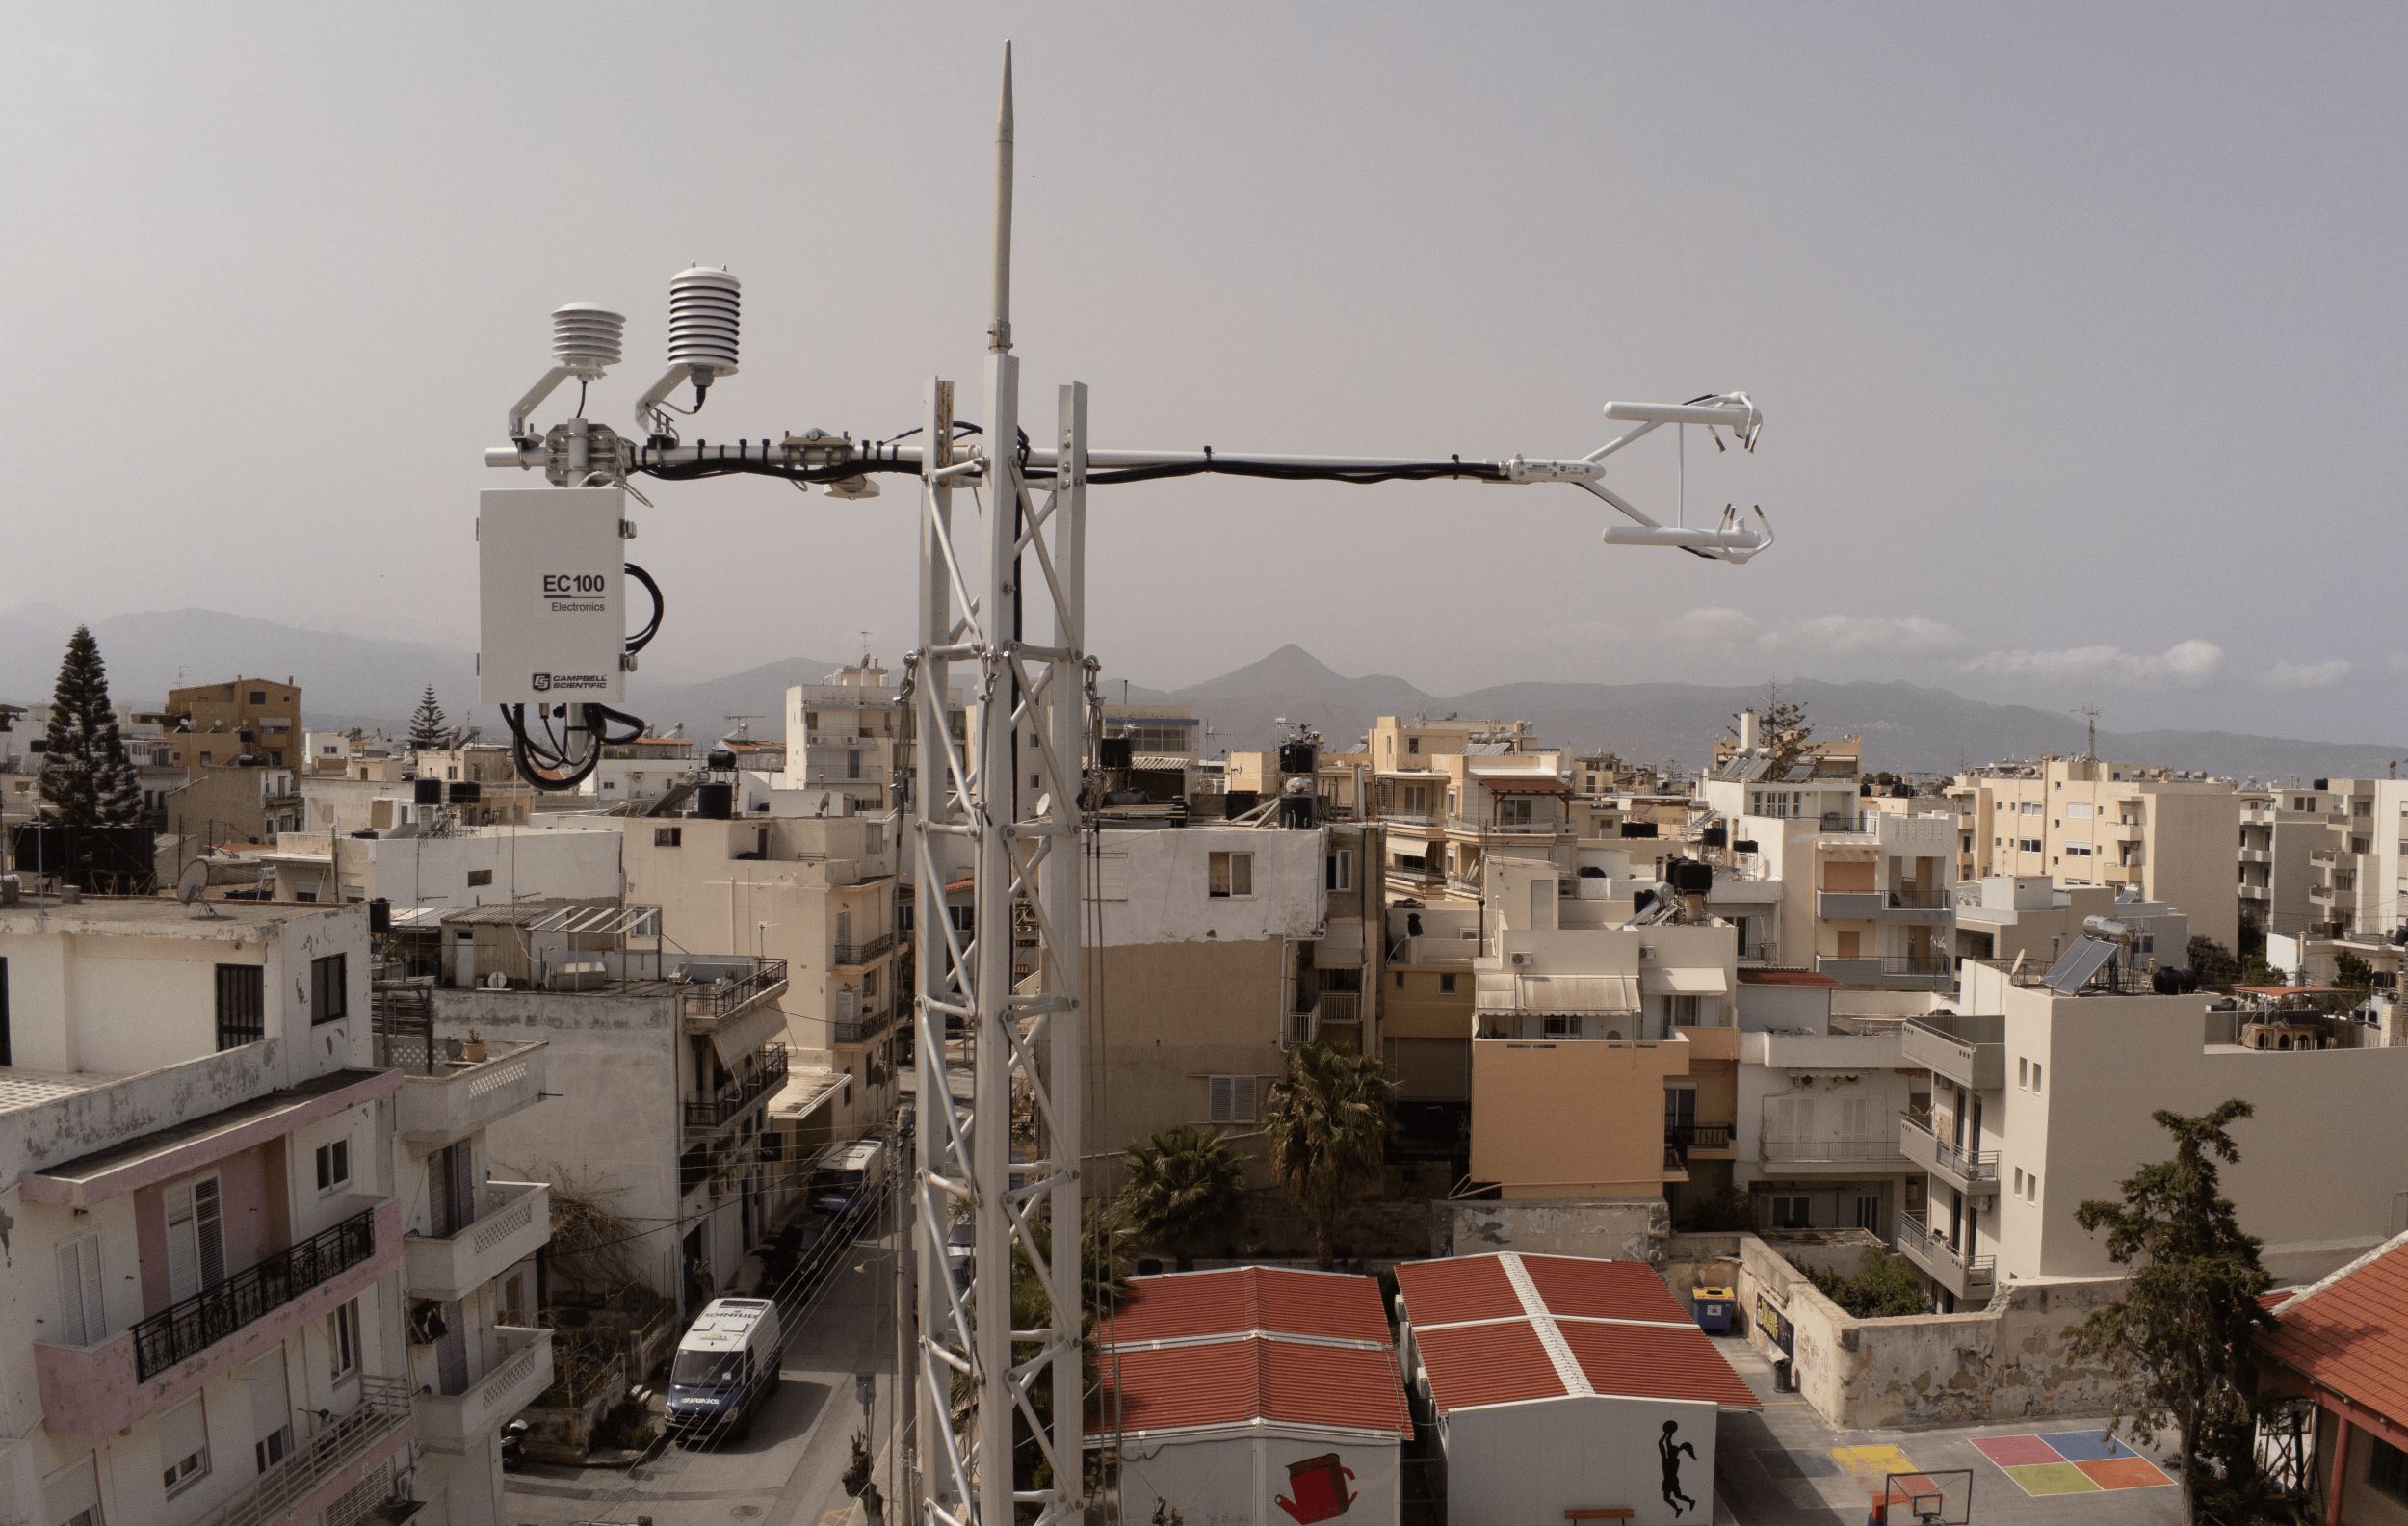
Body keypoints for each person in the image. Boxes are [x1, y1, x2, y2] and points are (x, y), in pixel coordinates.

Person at [1659, 1420, 1698, 1518]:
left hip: (1669, 1480)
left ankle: (1681, 1506)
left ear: (1671, 1452)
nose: (1668, 1450)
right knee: (1676, 1496)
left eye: (1670, 1450)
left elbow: (1661, 1443)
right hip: (1673, 1480)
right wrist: (1670, 1434)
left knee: (1668, 1498)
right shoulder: (1676, 1460)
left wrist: (1666, 1433)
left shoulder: (1667, 1460)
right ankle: (1686, 1503)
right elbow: (1667, 1444)